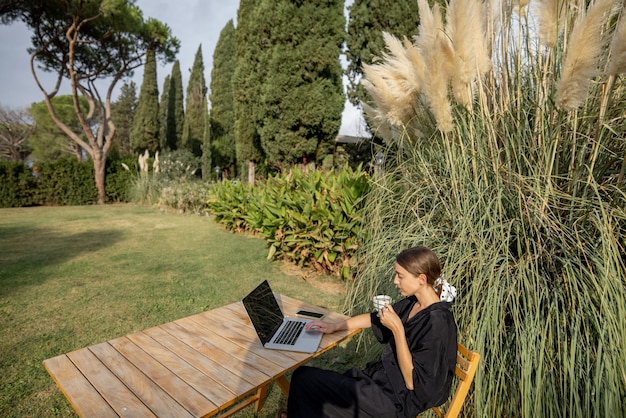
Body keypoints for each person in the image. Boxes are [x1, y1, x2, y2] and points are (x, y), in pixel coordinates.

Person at [284, 246, 458, 418]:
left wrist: (397, 330)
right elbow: (374, 318)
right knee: (315, 390)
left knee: (303, 379)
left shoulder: (438, 324)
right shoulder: (413, 303)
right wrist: (336, 326)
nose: (395, 281)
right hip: (378, 382)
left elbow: (413, 382)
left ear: (421, 278)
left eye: (400, 276)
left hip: (395, 401)